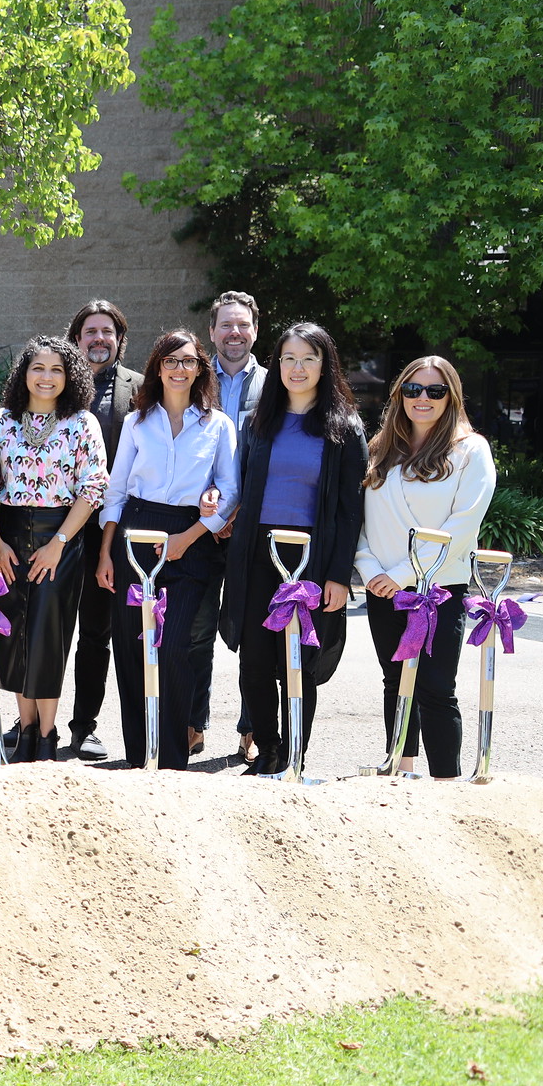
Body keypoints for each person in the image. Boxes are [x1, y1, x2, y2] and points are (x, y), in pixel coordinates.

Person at [216, 323, 365, 775]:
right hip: (258, 555)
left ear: (325, 365)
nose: (297, 368)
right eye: (288, 359)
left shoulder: (344, 429)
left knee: (299, 659)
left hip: (311, 561)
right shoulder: (258, 423)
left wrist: (339, 575)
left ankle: (296, 756)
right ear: (276, 364)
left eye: (308, 359)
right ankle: (269, 752)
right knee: (255, 661)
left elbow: (349, 511)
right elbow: (240, 489)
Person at [95, 330, 238, 770]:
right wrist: (105, 553)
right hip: (135, 535)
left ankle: (174, 758)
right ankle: (140, 756)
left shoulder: (218, 424)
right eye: (171, 361)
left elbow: (231, 492)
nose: (180, 369)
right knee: (132, 647)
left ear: (200, 369)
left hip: (189, 540)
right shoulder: (139, 422)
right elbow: (116, 491)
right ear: (158, 367)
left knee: (174, 646)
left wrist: (188, 537)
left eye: (189, 361)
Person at [354, 356, 496, 780]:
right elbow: (359, 519)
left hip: (439, 590)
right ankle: (401, 770)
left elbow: (462, 525)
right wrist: (368, 568)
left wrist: (401, 574)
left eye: (435, 391)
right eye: (413, 389)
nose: (423, 398)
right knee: (395, 682)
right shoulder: (380, 449)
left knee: (435, 687)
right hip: (383, 589)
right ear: (399, 394)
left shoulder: (471, 451)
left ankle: (445, 783)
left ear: (451, 397)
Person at [0, 336, 107, 761]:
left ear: (68, 376)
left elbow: (94, 488)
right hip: (7, 537)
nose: (46, 377)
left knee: (47, 634)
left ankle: (48, 734)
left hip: (61, 538)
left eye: (56, 369)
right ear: (25, 373)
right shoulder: (0, 421)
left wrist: (59, 543)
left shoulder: (81, 423)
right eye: (38, 368)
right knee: (12, 632)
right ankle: (26, 729)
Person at [60, 301, 141, 760]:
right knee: (44, 626)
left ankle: (83, 726)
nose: (98, 339)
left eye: (107, 331)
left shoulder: (140, 390)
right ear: (76, 337)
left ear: (119, 339)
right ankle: (32, 716)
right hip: (52, 526)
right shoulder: (51, 379)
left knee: (96, 632)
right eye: (89, 330)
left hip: (109, 530)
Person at [190, 290, 268, 761]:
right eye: (225, 325)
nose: (234, 333)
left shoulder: (276, 381)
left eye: (242, 325)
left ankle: (251, 727)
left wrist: (239, 509)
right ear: (212, 331)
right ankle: (193, 724)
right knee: (197, 630)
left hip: (254, 524)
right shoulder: (194, 378)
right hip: (201, 524)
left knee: (253, 631)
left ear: (255, 330)